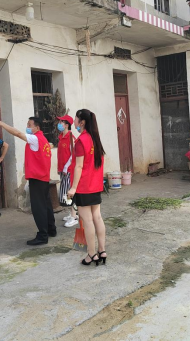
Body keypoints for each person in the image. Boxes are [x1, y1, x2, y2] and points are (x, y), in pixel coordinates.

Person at [0, 115, 56, 245]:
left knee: (38, 208)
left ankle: (43, 236)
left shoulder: (35, 138)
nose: (27, 127)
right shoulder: (43, 139)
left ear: (37, 127)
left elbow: (18, 133)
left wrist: (0, 123)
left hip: (37, 178)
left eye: (29, 125)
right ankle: (51, 230)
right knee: (46, 205)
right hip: (43, 178)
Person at [67, 109, 107, 266]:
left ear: (82, 122)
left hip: (84, 186)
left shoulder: (81, 141)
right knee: (97, 217)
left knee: (88, 220)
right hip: (96, 185)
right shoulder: (95, 139)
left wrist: (73, 188)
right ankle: (102, 251)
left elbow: (79, 166)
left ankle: (91, 254)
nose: (74, 122)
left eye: (76, 119)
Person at [56, 115, 78, 228]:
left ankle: (74, 217)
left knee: (70, 193)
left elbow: (73, 155)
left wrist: (65, 167)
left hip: (69, 170)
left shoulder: (71, 138)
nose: (59, 124)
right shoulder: (61, 137)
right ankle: (72, 213)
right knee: (66, 193)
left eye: (61, 122)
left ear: (66, 125)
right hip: (63, 170)